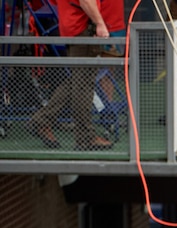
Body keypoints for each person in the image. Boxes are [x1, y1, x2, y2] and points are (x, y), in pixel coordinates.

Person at [29, 0, 125, 150]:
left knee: (78, 80)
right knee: (82, 84)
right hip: (82, 28)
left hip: (74, 25)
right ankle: (85, 137)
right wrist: (99, 23)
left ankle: (43, 120)